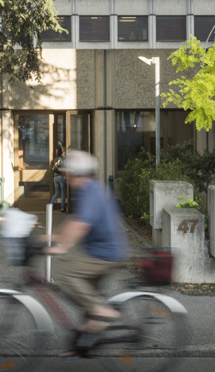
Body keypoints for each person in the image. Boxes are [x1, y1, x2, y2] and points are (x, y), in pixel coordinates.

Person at [44, 150, 128, 355]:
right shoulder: (90, 189)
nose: (65, 176)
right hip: (105, 250)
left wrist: (62, 247)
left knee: (68, 275)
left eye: (68, 172)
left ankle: (102, 313)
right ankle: (84, 346)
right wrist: (51, 238)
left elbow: (81, 225)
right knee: (86, 296)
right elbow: (73, 222)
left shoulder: (89, 191)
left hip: (104, 253)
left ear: (77, 173)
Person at [49, 144, 67, 212]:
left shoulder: (55, 159)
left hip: (55, 177)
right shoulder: (62, 159)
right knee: (63, 193)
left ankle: (50, 206)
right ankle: (62, 208)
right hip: (61, 177)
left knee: (57, 192)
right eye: (64, 151)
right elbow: (64, 168)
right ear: (62, 152)